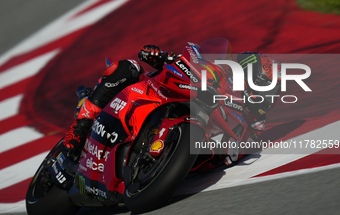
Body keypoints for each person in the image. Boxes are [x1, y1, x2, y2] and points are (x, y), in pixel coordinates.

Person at [62, 45, 281, 168]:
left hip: (184, 157)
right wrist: (162, 57)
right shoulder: (217, 73)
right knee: (128, 68)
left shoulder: (253, 127)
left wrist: (232, 146)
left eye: (271, 92)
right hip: (160, 94)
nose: (267, 97)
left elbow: (234, 154)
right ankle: (80, 128)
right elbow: (188, 63)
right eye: (265, 87)